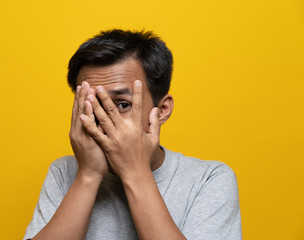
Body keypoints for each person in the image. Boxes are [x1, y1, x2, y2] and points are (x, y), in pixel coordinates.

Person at [23, 29, 242, 240]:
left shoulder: (208, 179)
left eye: (123, 104)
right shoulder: (64, 173)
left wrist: (135, 171)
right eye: (91, 105)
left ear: (162, 110)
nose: (103, 120)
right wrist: (88, 176)